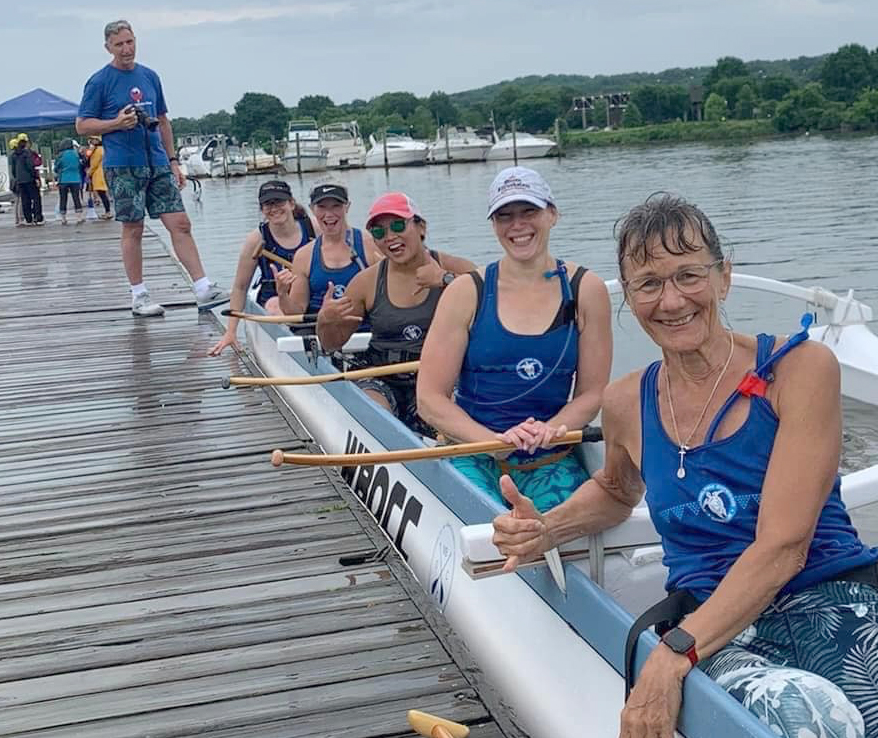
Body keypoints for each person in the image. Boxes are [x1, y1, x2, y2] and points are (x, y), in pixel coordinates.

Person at [492, 192, 878, 738]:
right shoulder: (625, 401)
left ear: (724, 277)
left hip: (833, 598)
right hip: (717, 627)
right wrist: (546, 528)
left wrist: (671, 657)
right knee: (806, 714)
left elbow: (784, 546)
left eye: (688, 276)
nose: (671, 301)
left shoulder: (799, 369)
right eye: (649, 283)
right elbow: (617, 488)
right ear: (629, 296)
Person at [417, 167, 612, 512]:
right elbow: (430, 399)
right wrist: (492, 442)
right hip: (474, 449)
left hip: (548, 451)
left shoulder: (587, 290)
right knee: (486, 528)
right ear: (494, 225)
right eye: (504, 216)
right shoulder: (466, 292)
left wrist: (551, 430)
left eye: (529, 212)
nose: (517, 225)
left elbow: (592, 393)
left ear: (552, 215)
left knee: (569, 524)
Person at [75, 19, 229, 317]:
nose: (126, 49)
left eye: (130, 42)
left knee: (180, 223)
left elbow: (163, 120)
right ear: (108, 47)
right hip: (123, 164)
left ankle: (203, 288)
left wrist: (173, 162)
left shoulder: (150, 77)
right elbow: (82, 124)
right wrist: (116, 123)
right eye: (119, 44)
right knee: (133, 227)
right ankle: (139, 295)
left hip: (157, 161)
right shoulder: (99, 81)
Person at [317, 192, 476, 435]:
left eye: (398, 226)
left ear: (420, 227)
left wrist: (446, 281)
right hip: (382, 378)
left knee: (452, 415)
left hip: (438, 378)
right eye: (379, 232)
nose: (390, 237)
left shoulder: (457, 269)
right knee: (374, 412)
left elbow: (496, 311)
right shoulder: (365, 283)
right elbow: (330, 344)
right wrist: (325, 320)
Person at [208, 180, 316, 356]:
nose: (274, 209)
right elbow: (240, 287)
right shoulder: (256, 240)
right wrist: (231, 331)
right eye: (268, 204)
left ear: (291, 203)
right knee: (275, 305)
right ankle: (291, 349)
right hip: (273, 297)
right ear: (262, 209)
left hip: (310, 292)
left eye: (279, 202)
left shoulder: (313, 229)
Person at [278, 180, 382, 319]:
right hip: (318, 327)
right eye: (321, 207)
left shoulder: (371, 244)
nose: (329, 214)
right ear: (312, 209)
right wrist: (282, 294)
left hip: (365, 326)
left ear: (347, 207)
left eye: (336, 206)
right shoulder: (304, 256)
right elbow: (296, 312)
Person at [9, 135, 44, 225]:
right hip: (29, 179)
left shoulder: (13, 155)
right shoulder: (27, 153)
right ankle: (38, 217)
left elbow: (13, 170)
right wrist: (35, 177)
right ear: (25, 142)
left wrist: (17, 177)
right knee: (36, 198)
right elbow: (30, 166)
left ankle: (28, 219)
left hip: (20, 181)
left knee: (25, 200)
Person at [53, 139, 85, 225]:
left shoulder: (61, 155)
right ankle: (79, 217)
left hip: (63, 179)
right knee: (76, 198)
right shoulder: (76, 154)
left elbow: (56, 168)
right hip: (75, 179)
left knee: (63, 198)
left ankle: (63, 218)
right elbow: (80, 165)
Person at [87, 136, 113, 219]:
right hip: (102, 173)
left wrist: (89, 172)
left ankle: (108, 212)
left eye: (92, 140)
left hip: (99, 174)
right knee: (103, 194)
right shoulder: (102, 149)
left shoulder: (98, 150)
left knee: (102, 194)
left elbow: (94, 163)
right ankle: (107, 211)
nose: (90, 141)